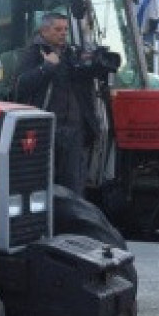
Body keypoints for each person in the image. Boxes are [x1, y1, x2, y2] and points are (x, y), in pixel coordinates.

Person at [12, 12, 99, 193]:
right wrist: (46, 68)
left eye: (66, 29)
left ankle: (73, 219)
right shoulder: (34, 53)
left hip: (74, 130)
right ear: (44, 30)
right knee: (43, 182)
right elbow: (20, 86)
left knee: (74, 184)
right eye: (58, 29)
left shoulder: (72, 53)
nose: (63, 33)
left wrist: (91, 66)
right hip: (47, 128)